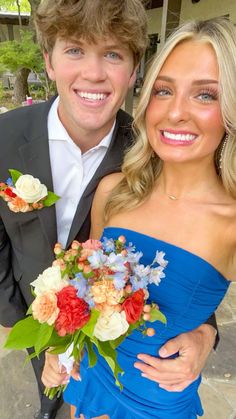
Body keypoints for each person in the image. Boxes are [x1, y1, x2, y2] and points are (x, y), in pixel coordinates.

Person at [59, 16, 235, 418]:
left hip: (154, 407)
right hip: (86, 388)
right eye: (163, 90)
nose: (175, 112)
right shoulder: (113, 192)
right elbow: (89, 294)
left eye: (205, 95)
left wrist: (205, 336)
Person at [0, 1, 147, 418]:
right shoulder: (4, 137)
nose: (94, 73)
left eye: (113, 53)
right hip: (35, 311)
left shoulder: (148, 153)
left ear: (134, 70)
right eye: (75, 50)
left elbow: (185, 236)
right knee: (50, 396)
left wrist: (204, 331)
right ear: (48, 61)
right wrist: (10, 313)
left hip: (113, 327)